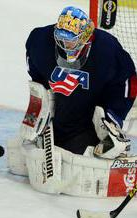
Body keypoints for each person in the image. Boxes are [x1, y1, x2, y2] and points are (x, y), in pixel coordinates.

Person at [24, 6, 137, 158]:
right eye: (62, 39)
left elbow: (127, 81)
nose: (65, 45)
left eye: (70, 41)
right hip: (58, 116)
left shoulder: (107, 49)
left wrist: (114, 115)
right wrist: (43, 94)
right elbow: (34, 69)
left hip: (88, 122)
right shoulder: (41, 40)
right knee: (30, 140)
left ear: (85, 37)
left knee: (86, 153)